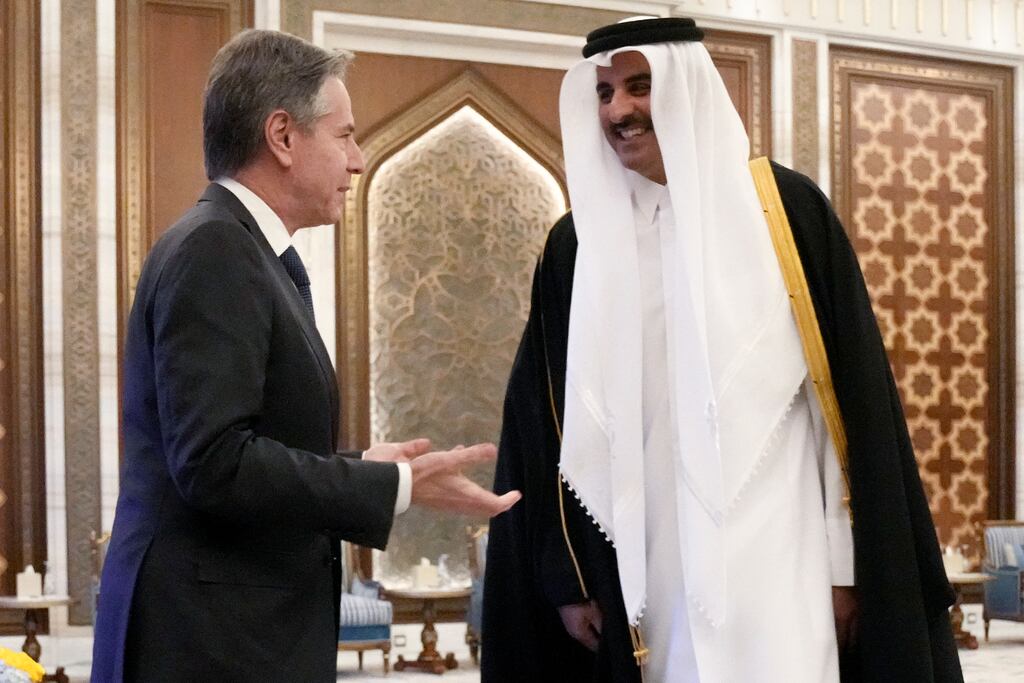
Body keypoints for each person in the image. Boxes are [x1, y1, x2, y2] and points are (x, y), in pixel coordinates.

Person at [483, 17, 962, 683]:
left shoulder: (784, 212)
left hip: (782, 557)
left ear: (687, 89)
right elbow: (546, 424)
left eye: (640, 86)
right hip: (646, 567)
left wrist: (846, 564)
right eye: (604, 93)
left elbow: (841, 406)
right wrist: (570, 576)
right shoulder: (577, 245)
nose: (619, 111)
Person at [91, 29, 520, 682]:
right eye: (344, 135)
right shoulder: (216, 250)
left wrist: (362, 467)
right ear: (283, 136)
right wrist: (393, 487)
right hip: (211, 646)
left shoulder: (243, 250)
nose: (358, 160)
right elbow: (215, 463)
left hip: (231, 637)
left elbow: (246, 445)